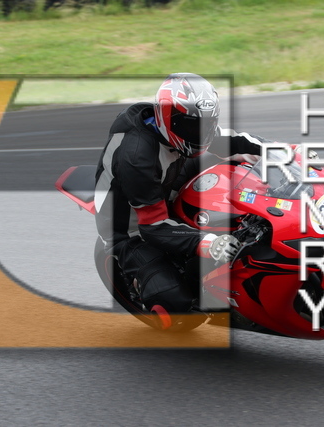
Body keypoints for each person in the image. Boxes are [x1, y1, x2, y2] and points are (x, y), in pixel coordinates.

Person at [94, 73, 268, 324]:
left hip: (167, 177)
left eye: (207, 124)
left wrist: (287, 152)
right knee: (175, 305)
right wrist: (209, 243)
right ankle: (152, 286)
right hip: (131, 227)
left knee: (236, 162)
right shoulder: (136, 156)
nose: (200, 134)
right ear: (167, 118)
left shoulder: (181, 130)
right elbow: (152, 226)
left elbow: (232, 139)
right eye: (191, 126)